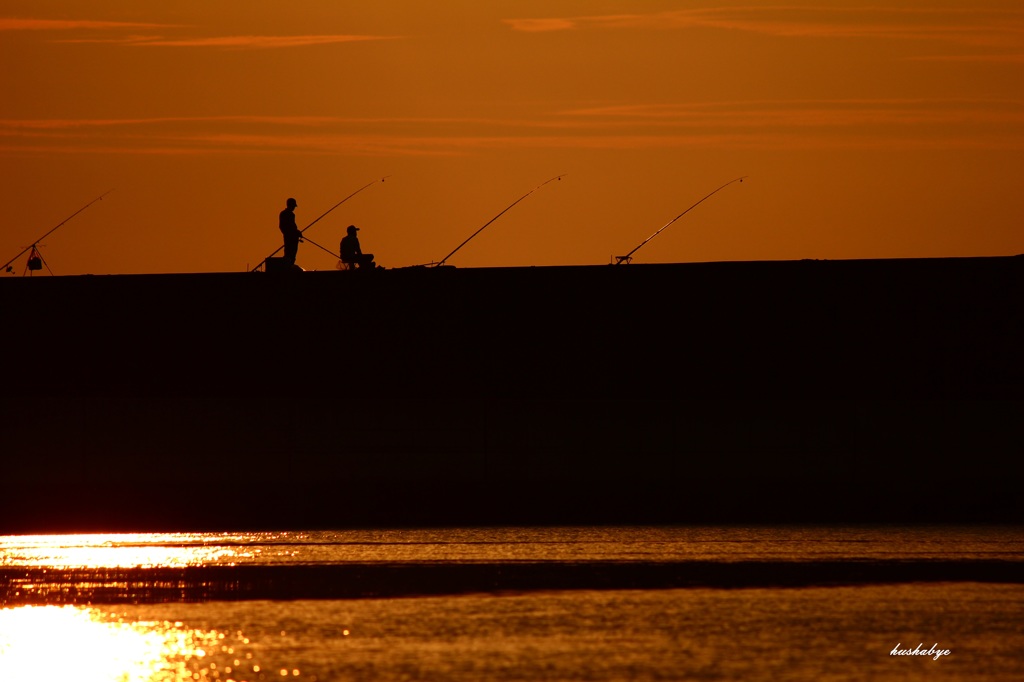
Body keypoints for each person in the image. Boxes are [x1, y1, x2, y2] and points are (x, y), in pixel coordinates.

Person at [279, 198, 301, 264]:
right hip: (290, 238)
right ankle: (288, 266)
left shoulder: (290, 214)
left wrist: (297, 232)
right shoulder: (286, 214)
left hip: (293, 237)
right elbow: (283, 226)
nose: (294, 208)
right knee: (289, 253)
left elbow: (292, 226)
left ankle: (290, 265)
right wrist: (291, 233)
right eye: (293, 206)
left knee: (292, 254)